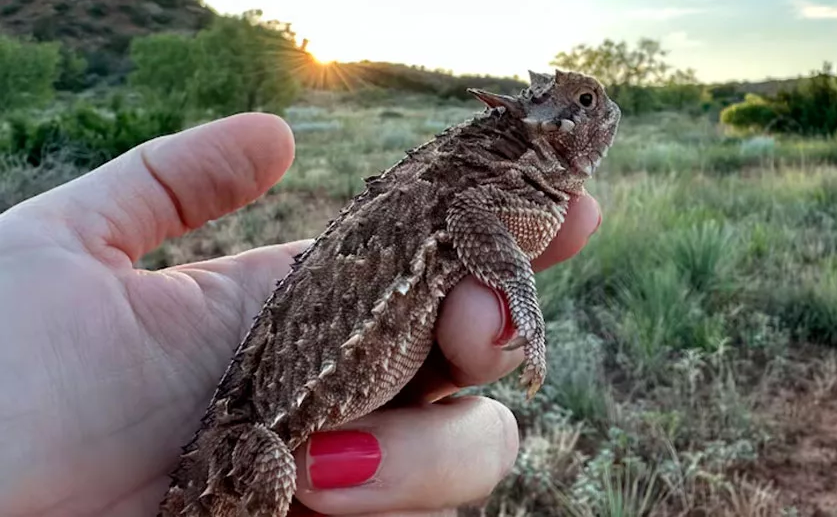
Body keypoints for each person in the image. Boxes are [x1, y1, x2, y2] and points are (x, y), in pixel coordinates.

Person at [0, 112, 602, 517]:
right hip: (258, 437)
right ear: (542, 125)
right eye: (583, 101)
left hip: (264, 421)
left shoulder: (493, 186)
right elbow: (473, 221)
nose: (600, 112)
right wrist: (520, 295)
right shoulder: (479, 189)